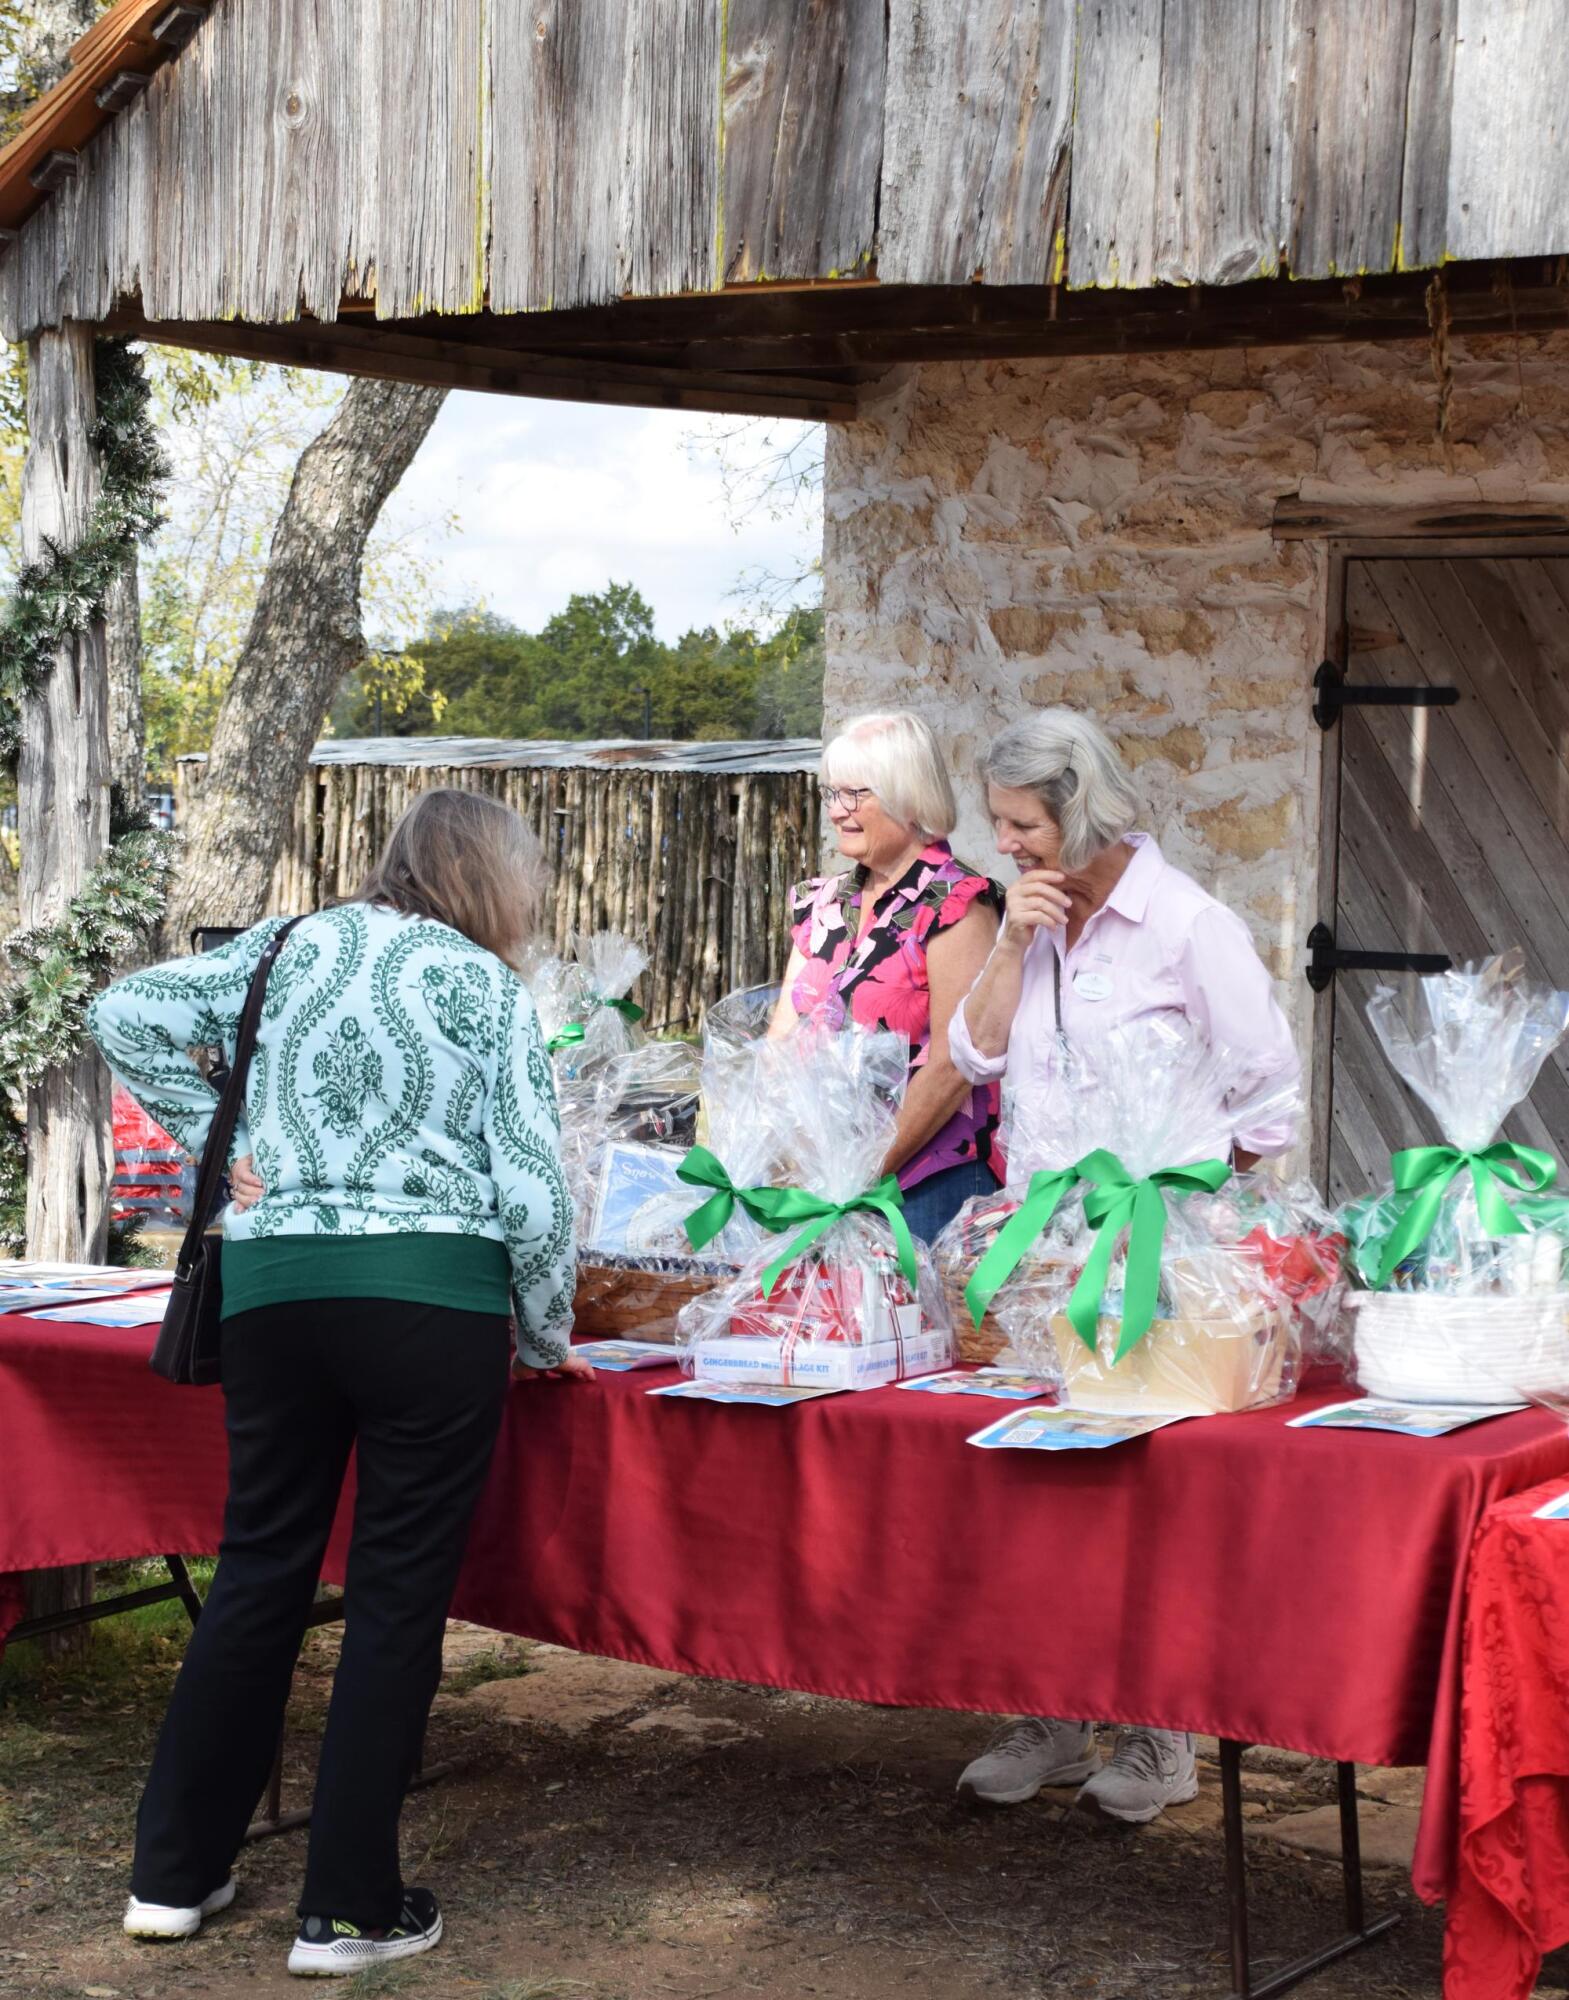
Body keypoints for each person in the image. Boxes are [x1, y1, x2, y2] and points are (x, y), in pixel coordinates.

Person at [89, 788, 584, 1978]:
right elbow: (532, 1188)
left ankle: (173, 1872)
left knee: (258, 1564)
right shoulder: (483, 983)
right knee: (397, 1591)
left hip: (274, 1287)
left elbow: (124, 1008)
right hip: (430, 1297)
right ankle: (351, 1907)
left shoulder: (290, 940)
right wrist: (549, 1326)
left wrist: (228, 1150)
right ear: (495, 881)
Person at [950, 707, 1299, 1825]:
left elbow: (1270, 1097)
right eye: (997, 822)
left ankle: (1162, 1734)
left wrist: (1183, 1224)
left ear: (1082, 811)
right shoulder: (1039, 923)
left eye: (1020, 823)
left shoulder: (1188, 926)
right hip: (1043, 1248)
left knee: (1141, 1498)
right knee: (1036, 1495)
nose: (1004, 842)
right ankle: (1049, 1713)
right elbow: (974, 1053)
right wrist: (1011, 938)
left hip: (1154, 1257)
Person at [770, 711, 1002, 1241]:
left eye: (855, 795)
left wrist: (858, 1174)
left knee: (911, 1324)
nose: (837, 811)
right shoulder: (823, 903)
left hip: (922, 1188)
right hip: (818, 1183)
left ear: (909, 795)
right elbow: (782, 1041)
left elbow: (952, 1063)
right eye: (831, 793)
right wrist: (783, 1152)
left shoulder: (956, 903)